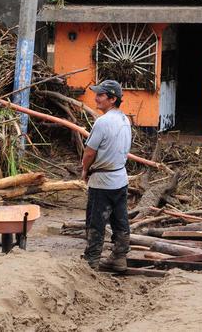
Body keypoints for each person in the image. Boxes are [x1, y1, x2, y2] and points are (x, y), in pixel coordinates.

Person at [81, 79, 132, 271]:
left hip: (102, 181)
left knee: (96, 221)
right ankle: (119, 257)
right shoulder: (125, 120)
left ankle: (91, 260)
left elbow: (89, 152)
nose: (96, 98)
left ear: (112, 99)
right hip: (120, 178)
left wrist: (85, 170)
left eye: (101, 95)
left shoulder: (102, 122)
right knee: (120, 219)